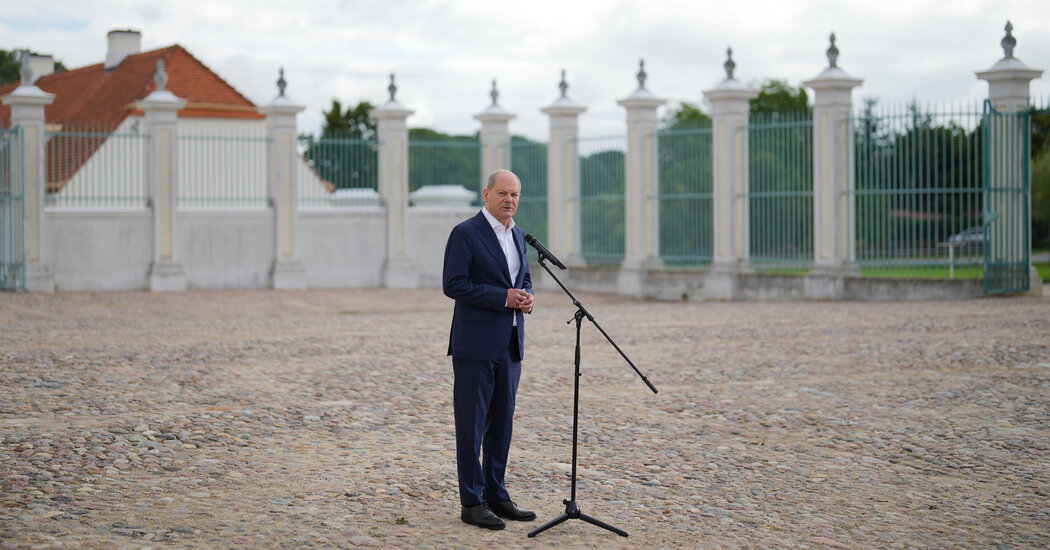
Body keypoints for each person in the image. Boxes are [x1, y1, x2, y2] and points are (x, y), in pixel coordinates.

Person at [442, 169, 537, 530]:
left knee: (502, 425)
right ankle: (472, 501)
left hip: (511, 344)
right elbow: (453, 284)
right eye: (502, 193)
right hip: (475, 346)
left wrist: (526, 296)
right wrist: (503, 298)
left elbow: (522, 278)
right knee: (472, 426)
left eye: (515, 195)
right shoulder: (465, 233)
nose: (509, 200)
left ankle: (497, 494)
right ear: (486, 194)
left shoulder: (517, 235)